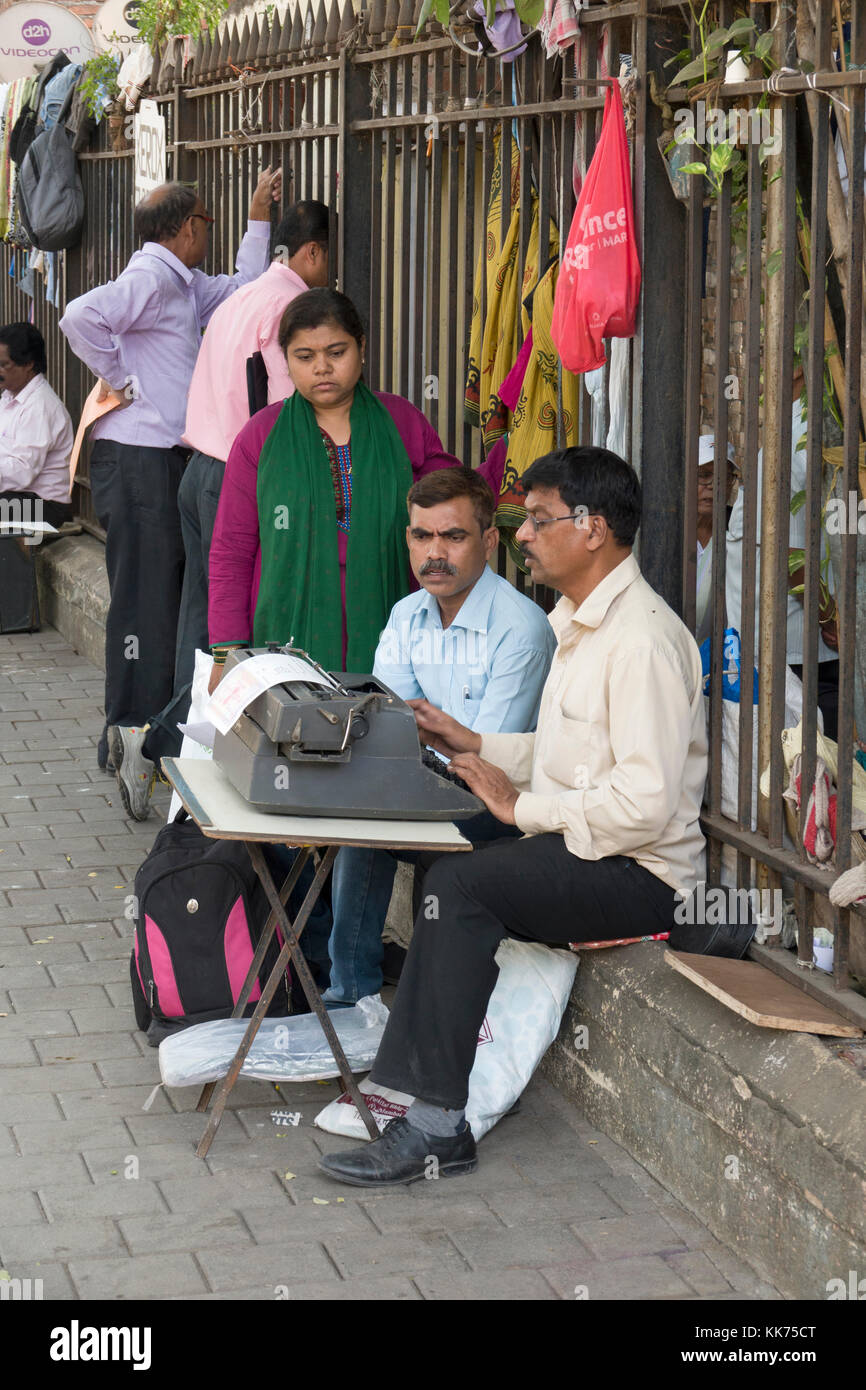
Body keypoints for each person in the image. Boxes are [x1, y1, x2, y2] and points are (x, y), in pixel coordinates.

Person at [317, 445, 708, 1186]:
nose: (522, 534)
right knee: (454, 872)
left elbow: (645, 805)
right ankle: (407, 1092)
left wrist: (521, 807)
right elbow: (572, 753)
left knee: (462, 885)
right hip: (592, 846)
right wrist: (475, 744)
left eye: (537, 519)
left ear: (592, 530)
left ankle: (435, 1126)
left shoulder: (643, 641)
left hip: (645, 874)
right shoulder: (581, 621)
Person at [59, 169, 281, 808]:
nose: (207, 234)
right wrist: (120, 377)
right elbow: (80, 316)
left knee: (162, 597)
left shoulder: (182, 284)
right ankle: (128, 727)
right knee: (143, 599)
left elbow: (244, 288)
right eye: (207, 224)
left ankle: (135, 728)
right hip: (138, 457)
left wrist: (256, 218)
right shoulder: (153, 276)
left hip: (160, 459)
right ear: (187, 229)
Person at [322, 465, 556, 1006]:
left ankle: (361, 995)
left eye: (453, 536)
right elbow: (390, 725)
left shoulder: (519, 631)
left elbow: (485, 761)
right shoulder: (407, 615)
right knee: (350, 806)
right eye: (422, 535)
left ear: (490, 540)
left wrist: (411, 758)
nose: (435, 552)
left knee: (369, 813)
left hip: (501, 804)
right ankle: (349, 994)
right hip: (420, 781)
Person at [207, 288, 502, 684]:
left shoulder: (401, 422)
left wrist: (510, 446)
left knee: (383, 729)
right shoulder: (261, 437)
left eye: (336, 352)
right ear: (286, 360)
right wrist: (226, 652)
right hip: (286, 629)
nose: (322, 368)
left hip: (391, 623)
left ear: (360, 348)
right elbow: (232, 549)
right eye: (305, 357)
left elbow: (458, 501)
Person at [137, 200, 332, 789]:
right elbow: (284, 409)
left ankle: (177, 750)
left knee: (200, 616)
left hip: (198, 467)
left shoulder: (241, 298)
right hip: (240, 476)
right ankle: (204, 751)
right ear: (314, 252)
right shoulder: (287, 308)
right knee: (240, 618)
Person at [725, 370, 839, 738]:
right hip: (793, 651)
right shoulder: (795, 431)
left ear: (794, 369)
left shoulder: (799, 439)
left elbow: (791, 554)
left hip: (804, 653)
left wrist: (829, 618)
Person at [0, 322, 73, 530]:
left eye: (4, 365)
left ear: (28, 364)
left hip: (43, 506)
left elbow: (22, 472)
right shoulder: (9, 397)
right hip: (16, 496)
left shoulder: (40, 406)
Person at [694, 434, 737, 649]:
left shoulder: (739, 530)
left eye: (722, 477)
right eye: (703, 475)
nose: (712, 486)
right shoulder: (669, 530)